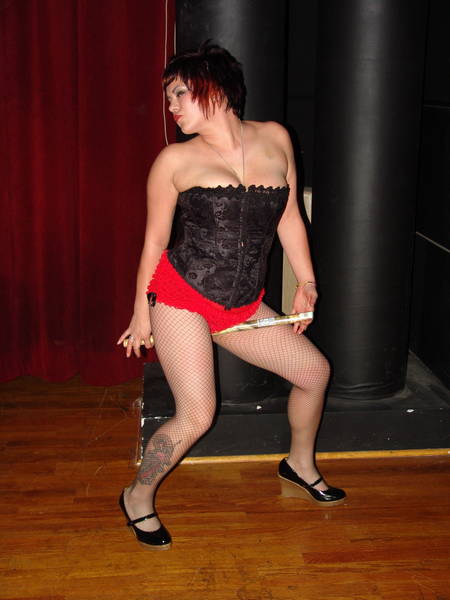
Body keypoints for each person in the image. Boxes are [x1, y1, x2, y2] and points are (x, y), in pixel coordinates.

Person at [117, 42, 345, 551]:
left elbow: (289, 216)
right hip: (181, 296)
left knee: (314, 373)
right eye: (168, 97)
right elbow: (154, 241)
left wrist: (306, 283)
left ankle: (299, 464)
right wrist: (140, 312)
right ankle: (137, 495)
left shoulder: (276, 138)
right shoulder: (174, 159)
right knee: (197, 414)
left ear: (215, 88)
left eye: (179, 93)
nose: (171, 106)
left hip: (240, 303)